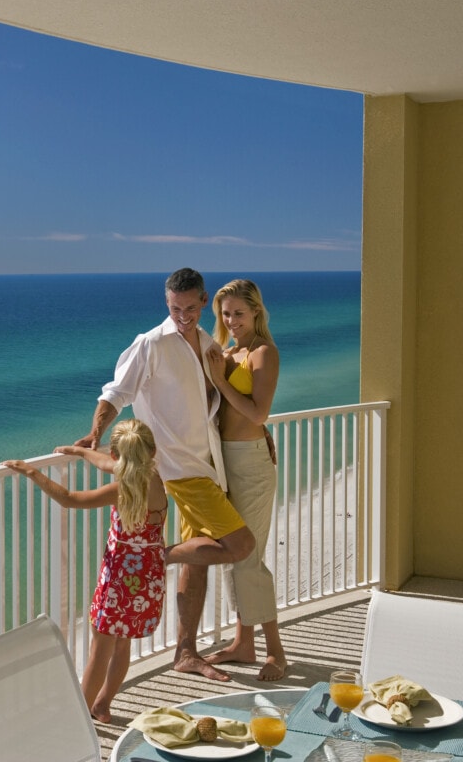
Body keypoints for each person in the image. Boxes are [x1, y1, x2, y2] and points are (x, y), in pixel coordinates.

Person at [76, 267, 255, 682]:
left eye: (191, 308)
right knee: (239, 544)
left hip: (207, 463)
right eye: (176, 308)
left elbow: (219, 404)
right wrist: (95, 433)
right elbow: (115, 393)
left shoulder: (209, 344)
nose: (183, 316)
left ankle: (185, 651)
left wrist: (259, 433)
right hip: (176, 468)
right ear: (166, 303)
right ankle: (154, 556)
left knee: (197, 560)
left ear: (204, 301)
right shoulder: (150, 344)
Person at [1, 419, 167, 724]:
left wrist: (30, 471)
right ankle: (101, 705)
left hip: (120, 580)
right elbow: (107, 464)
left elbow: (69, 499)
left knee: (99, 649)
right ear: (152, 451)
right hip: (148, 578)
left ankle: (74, 720)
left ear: (118, 456)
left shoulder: (124, 489)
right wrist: (78, 453)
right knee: (121, 643)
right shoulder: (153, 476)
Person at [202, 278, 289, 680]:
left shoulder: (263, 353)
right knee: (233, 553)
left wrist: (220, 380)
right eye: (225, 313)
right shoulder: (227, 352)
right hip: (223, 461)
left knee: (248, 556)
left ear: (256, 311)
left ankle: (276, 652)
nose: (232, 320)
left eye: (239, 312)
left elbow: (258, 414)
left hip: (251, 466)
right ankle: (243, 642)